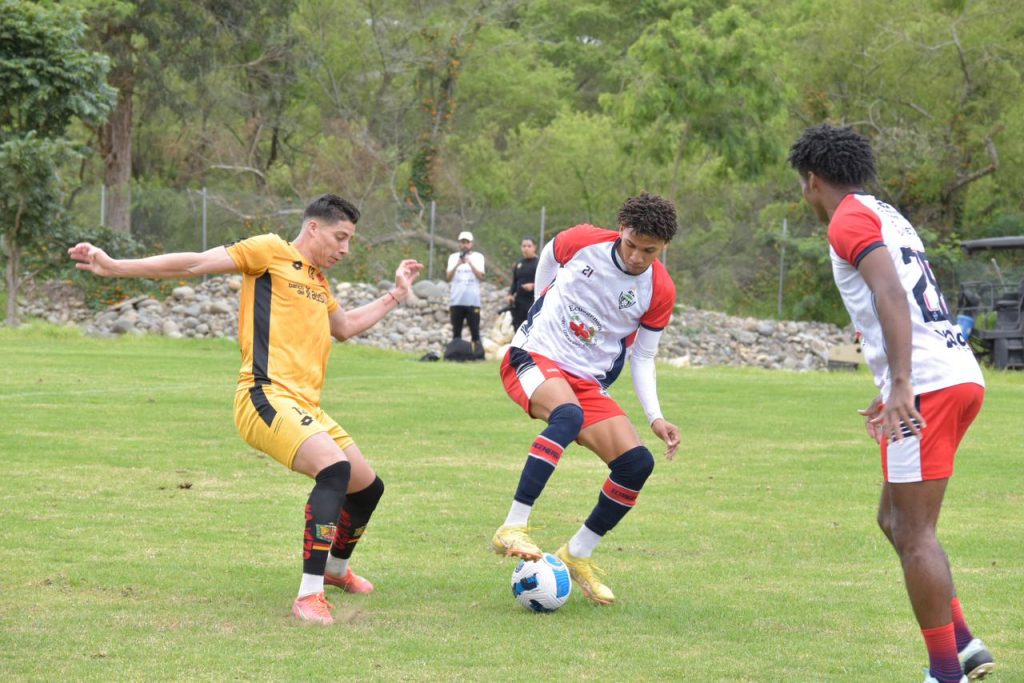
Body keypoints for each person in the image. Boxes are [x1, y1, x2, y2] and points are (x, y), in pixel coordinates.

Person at [68, 194, 423, 626]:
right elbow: (196, 264)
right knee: (334, 470)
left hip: (305, 404)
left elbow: (344, 327)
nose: (345, 249)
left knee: (368, 487)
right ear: (313, 228)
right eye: (340, 237)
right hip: (264, 395)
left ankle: (335, 570)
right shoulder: (269, 250)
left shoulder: (316, 280)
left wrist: (396, 294)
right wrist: (115, 266)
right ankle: (308, 595)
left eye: (349, 240)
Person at [788, 124, 994, 683]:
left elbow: (890, 293)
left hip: (927, 384)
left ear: (812, 181)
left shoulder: (847, 219)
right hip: (950, 375)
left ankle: (944, 672)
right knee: (893, 519)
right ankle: (964, 643)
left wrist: (902, 385)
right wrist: (894, 387)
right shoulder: (884, 212)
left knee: (914, 532)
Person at [491, 193, 681, 605]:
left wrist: (656, 417)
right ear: (621, 228)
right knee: (568, 416)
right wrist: (538, 308)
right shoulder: (582, 241)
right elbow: (548, 256)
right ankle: (513, 525)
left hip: (587, 381)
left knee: (636, 464)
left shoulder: (659, 289)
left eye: (648, 251)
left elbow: (644, 354)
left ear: (664, 247)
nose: (635, 256)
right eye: (631, 244)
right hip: (535, 355)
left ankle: (577, 554)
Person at [446, 230, 485, 348]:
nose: (464, 245)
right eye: (462, 242)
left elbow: (481, 276)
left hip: (473, 301)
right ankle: (456, 353)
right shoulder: (453, 258)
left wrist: (471, 264)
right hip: (456, 301)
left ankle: (477, 354)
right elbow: (448, 277)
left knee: (474, 331)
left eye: (467, 242)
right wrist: (457, 264)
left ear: (471, 244)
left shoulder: (478, 257)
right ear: (459, 243)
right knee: (456, 331)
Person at [506, 236, 539, 331]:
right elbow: (515, 281)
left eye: (529, 246)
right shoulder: (518, 264)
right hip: (519, 302)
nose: (526, 248)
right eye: (524, 246)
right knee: (518, 329)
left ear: (534, 247)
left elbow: (547, 282)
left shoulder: (539, 263)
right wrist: (510, 294)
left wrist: (533, 286)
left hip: (533, 302)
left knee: (531, 329)